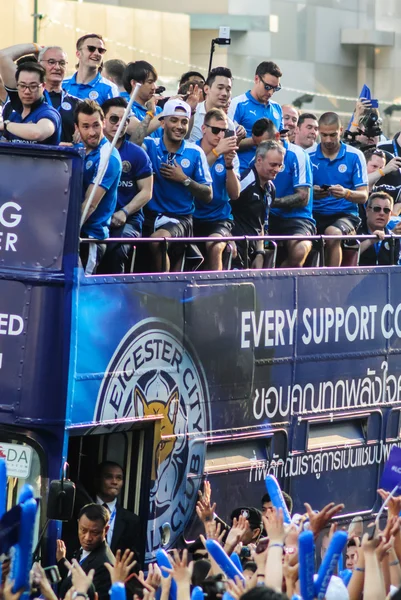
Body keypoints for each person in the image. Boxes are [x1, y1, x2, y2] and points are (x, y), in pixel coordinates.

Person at [142, 98, 212, 272]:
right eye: (173, 120)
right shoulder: (151, 145)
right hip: (149, 216)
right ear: (163, 122)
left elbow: (208, 194)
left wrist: (184, 180)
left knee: (158, 241)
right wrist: (151, 114)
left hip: (179, 218)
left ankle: (164, 290)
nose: (179, 126)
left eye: (184, 122)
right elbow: (133, 141)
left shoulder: (195, 152)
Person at [99, 97, 153, 274]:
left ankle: (117, 298)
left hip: (128, 220)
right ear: (103, 120)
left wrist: (125, 211)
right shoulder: (92, 151)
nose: (119, 125)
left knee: (116, 251)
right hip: (96, 219)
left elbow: (147, 192)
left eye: (124, 121)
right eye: (114, 119)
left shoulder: (137, 154)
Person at [251, 118, 315, 268]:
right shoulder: (258, 158)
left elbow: (303, 197)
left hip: (297, 218)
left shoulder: (297, 154)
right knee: (254, 250)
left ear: (277, 137)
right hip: (267, 217)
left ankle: (280, 281)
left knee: (299, 250)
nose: (263, 148)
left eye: (267, 143)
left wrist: (271, 202)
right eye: (259, 145)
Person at [309, 112, 368, 266]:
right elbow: (299, 191)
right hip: (313, 214)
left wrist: (346, 193)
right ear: (318, 132)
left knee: (332, 233)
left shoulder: (355, 156)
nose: (328, 140)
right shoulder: (307, 156)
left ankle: (331, 282)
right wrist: (312, 193)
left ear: (341, 130)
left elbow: (363, 195)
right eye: (324, 135)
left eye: (333, 135)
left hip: (345, 215)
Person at [75, 100, 122, 274]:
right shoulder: (78, 148)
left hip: (89, 238)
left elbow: (90, 205)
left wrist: (62, 235)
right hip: (74, 235)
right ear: (77, 127)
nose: (92, 132)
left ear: (103, 123)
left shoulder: (107, 156)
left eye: (96, 125)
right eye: (85, 126)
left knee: (81, 291)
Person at [0, 43, 80, 143]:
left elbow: (37, 133)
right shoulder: (19, 103)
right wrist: (35, 47)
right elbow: (3, 56)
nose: (57, 67)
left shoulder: (77, 104)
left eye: (62, 63)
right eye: (51, 62)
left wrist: (6, 125)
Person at [195, 108, 241, 270]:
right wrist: (216, 152)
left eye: (225, 131)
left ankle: (217, 291)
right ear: (204, 129)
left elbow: (235, 195)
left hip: (218, 217)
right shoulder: (193, 150)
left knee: (215, 245)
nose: (220, 135)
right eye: (216, 130)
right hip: (192, 215)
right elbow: (197, 176)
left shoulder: (230, 155)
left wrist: (229, 166)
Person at [231, 140, 285, 268]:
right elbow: (223, 209)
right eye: (273, 165)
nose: (276, 169)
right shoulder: (245, 180)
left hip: (253, 247)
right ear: (259, 160)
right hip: (235, 246)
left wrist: (260, 252)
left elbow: (262, 223)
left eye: (280, 166)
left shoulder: (271, 189)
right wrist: (228, 238)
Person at [228, 61, 283, 174]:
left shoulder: (277, 108)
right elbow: (227, 143)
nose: (271, 92)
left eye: (275, 88)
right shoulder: (237, 104)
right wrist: (255, 141)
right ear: (256, 79)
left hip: (269, 175)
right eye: (267, 87)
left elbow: (282, 141)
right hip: (243, 172)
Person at [57, 504, 115, 600]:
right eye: (83, 530)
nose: (87, 538)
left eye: (94, 533)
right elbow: (73, 578)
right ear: (78, 524)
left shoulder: (105, 566)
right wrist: (62, 561)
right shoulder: (83, 550)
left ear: (106, 530)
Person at [0, 61, 61, 145]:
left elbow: (38, 133)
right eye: (22, 86)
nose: (27, 91)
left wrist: (6, 125)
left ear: (43, 86)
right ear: (17, 86)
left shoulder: (49, 113)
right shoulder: (14, 116)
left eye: (33, 86)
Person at [94, 461, 141, 559]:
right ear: (98, 479)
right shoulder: (81, 512)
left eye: (119, 478)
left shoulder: (132, 520)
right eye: (109, 477)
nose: (114, 482)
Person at [63, 34, 119, 104]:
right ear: (78, 54)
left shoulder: (109, 89)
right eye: (91, 49)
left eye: (101, 50)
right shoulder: (62, 84)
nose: (97, 53)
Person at [190, 67, 236, 142]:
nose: (224, 93)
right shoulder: (192, 113)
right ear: (206, 89)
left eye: (228, 89)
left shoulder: (229, 125)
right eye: (220, 88)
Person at [357, 191, 401, 266]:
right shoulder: (355, 232)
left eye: (386, 210)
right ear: (367, 211)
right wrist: (371, 241)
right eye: (377, 209)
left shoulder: (393, 237)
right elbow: (349, 258)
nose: (382, 213)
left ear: (390, 215)